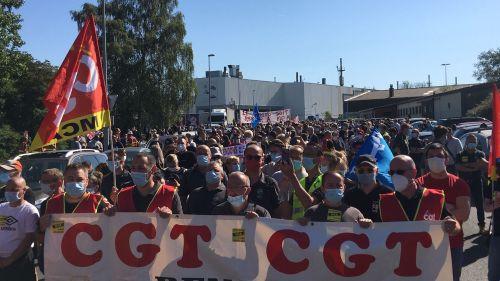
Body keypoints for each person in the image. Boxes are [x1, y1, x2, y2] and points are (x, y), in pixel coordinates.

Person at [416, 143, 471, 281]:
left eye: (439, 156)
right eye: (431, 156)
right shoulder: (418, 184)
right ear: (426, 161)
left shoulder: (459, 184)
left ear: (447, 159)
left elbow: (464, 214)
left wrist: (438, 205)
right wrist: (451, 208)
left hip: (452, 244)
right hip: (423, 244)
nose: (435, 159)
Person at [109, 153, 182, 215]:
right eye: (133, 168)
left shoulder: (170, 194)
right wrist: (108, 215)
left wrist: (171, 218)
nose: (136, 171)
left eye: (141, 168)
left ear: (153, 170)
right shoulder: (122, 195)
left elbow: (181, 226)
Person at [298, 171, 372, 227]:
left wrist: (368, 225)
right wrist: (300, 224)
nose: (334, 188)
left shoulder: (355, 213)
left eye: (339, 185)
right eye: (330, 185)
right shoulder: (311, 212)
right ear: (322, 189)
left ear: (344, 188)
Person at [0, 177, 39, 281]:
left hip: (20, 260)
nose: (9, 192)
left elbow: (29, 238)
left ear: (24, 191)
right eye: (7, 189)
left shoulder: (30, 211)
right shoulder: (2, 207)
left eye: (14, 190)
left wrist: (9, 260)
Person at [343, 155, 392, 222]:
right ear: (355, 171)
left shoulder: (388, 193)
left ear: (377, 171)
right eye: (361, 171)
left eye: (370, 170)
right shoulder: (349, 195)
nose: (365, 173)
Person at [456, 134, 489, 234]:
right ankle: (458, 226)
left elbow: (483, 165)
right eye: (470, 141)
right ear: (466, 143)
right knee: (462, 205)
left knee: (479, 204)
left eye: (474, 141)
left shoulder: (480, 154)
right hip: (463, 183)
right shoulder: (460, 154)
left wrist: (467, 165)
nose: (472, 143)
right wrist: (473, 166)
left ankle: (482, 226)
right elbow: (458, 167)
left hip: (477, 182)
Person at [244, 144, 286, 218]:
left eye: (257, 158)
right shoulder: (235, 181)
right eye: (249, 157)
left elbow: (278, 212)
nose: (253, 160)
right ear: (244, 159)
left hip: (264, 228)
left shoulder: (271, 183)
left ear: (263, 160)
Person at [487, 159, 500, 281]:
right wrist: (496, 204)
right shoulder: (494, 181)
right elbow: (486, 207)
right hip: (498, 234)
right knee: (495, 275)